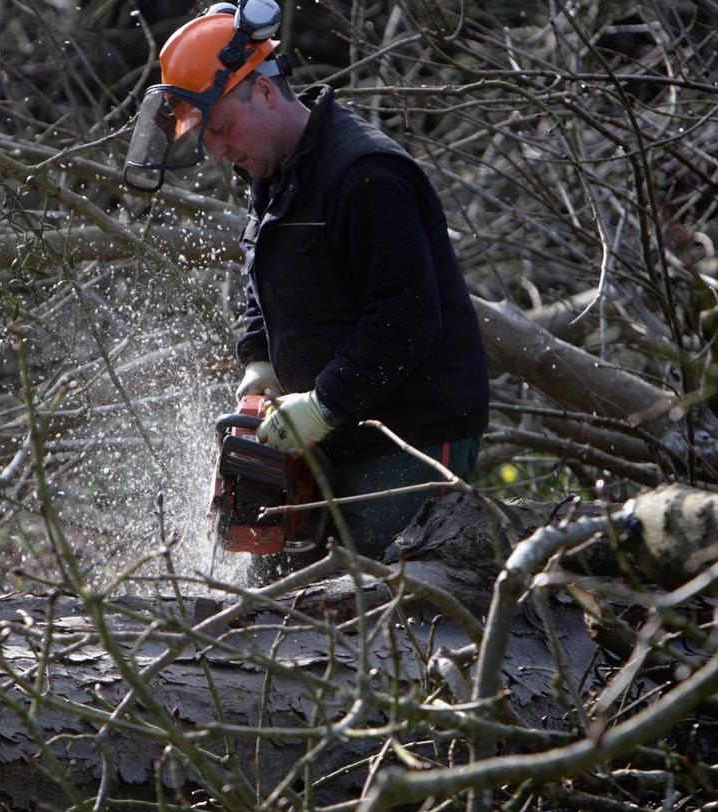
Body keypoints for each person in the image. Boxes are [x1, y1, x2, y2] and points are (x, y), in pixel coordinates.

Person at [125, 0, 489, 560]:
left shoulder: (366, 175)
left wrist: (324, 405)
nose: (218, 150)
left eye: (221, 128)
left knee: (374, 607)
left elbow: (407, 319)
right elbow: (263, 275)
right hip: (334, 436)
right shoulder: (277, 171)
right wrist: (260, 363)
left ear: (266, 93)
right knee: (284, 599)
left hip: (407, 438)